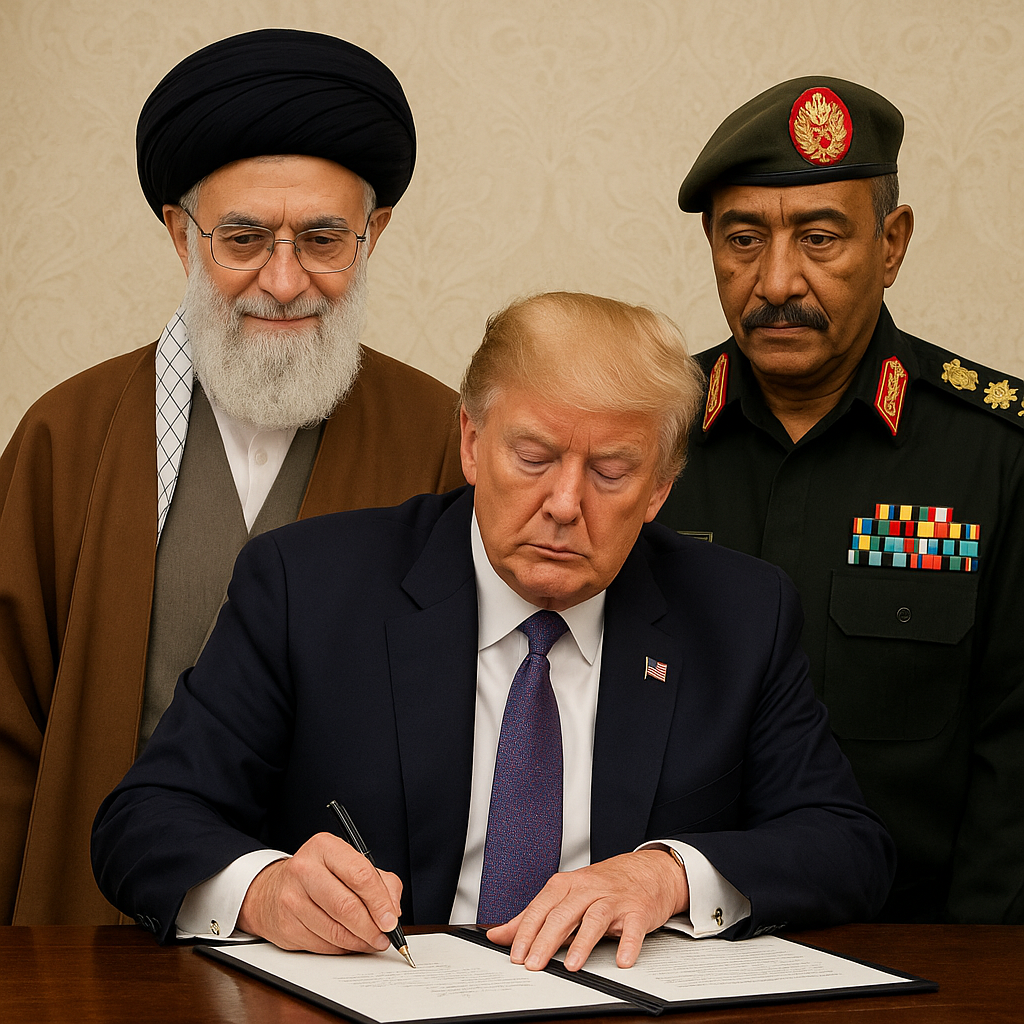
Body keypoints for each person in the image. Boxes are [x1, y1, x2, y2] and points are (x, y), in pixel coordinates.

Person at [92, 292, 893, 971]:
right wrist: (265, 891)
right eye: (533, 457)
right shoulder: (309, 587)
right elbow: (144, 822)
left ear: (659, 489)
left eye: (611, 472)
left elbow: (847, 847)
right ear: (473, 444)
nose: (565, 505)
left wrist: (667, 876)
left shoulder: (740, 614)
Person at [0, 29, 465, 927]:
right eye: (244, 238)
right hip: (100, 940)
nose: (284, 281)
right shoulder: (68, 434)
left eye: (323, 239)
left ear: (373, 236)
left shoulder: (443, 439)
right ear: (183, 235)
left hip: (359, 949)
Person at [657, 76, 1024, 924]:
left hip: (915, 944)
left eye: (819, 238)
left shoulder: (995, 455)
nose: (777, 281)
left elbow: (1016, 757)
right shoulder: (644, 436)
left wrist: (980, 969)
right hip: (667, 939)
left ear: (891, 245)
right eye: (743, 239)